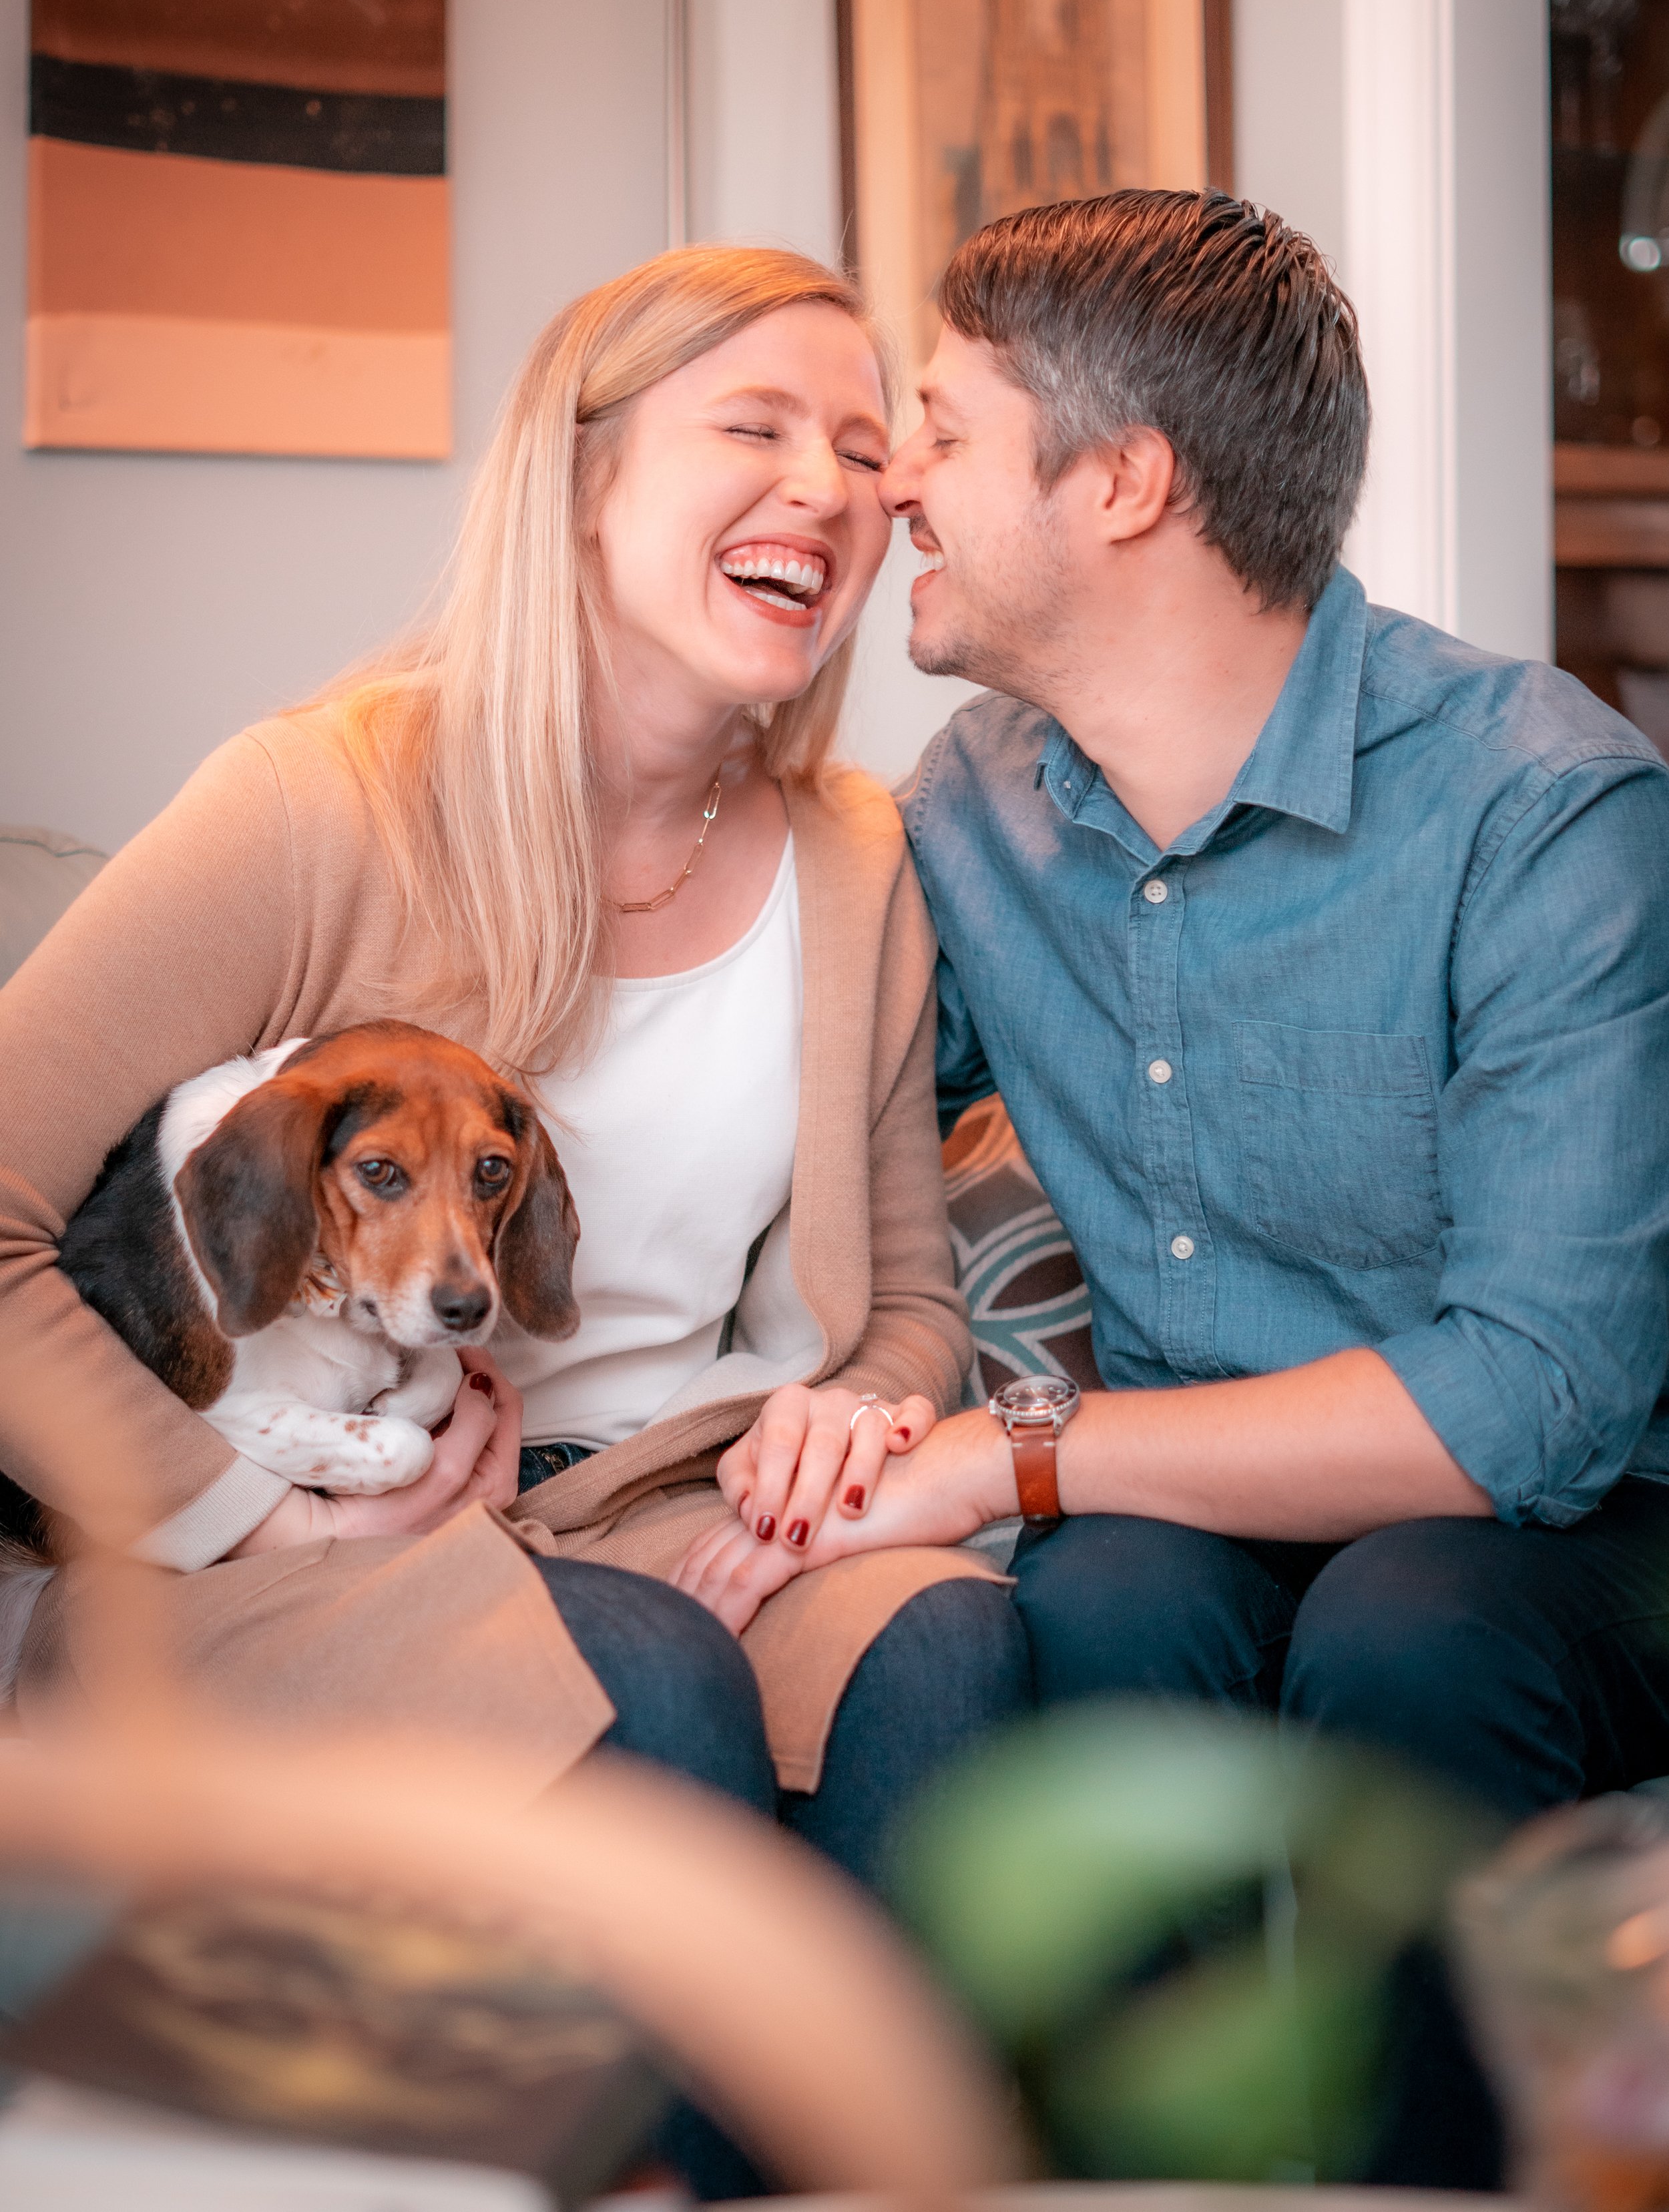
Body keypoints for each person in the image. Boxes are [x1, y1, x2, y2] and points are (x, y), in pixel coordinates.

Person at [676, 190, 1669, 2185]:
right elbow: (796, 1110)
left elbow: (1532, 1402)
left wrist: (1008, 1456)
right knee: (1107, 1600)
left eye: (937, 427)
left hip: (1582, 1516)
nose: (892, 482)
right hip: (1180, 1496)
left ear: (1121, 481)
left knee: (1405, 1621)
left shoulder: (1542, 810)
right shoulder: (965, 808)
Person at [0, 244, 1028, 1904]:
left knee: (944, 1652)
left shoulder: (855, 860)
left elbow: (905, 1304)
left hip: (662, 1501)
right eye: (753, 428)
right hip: (292, 1551)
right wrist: (266, 1513)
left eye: (860, 448)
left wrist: (833, 1425)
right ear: (579, 484)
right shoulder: (312, 803)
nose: (824, 490)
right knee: (650, 1687)